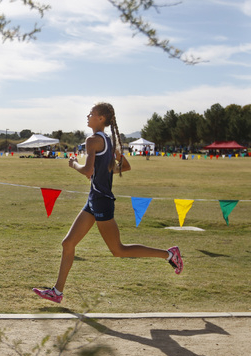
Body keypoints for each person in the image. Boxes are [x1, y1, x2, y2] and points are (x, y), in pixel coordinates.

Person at [33, 102, 183, 304]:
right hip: (94, 200)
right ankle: (57, 292)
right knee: (68, 243)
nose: (88, 116)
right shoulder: (109, 141)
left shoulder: (93, 140)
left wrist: (74, 164)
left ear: (101, 118)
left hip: (101, 201)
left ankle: (169, 254)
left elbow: (87, 170)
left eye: (91, 113)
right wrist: (101, 173)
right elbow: (125, 166)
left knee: (118, 250)